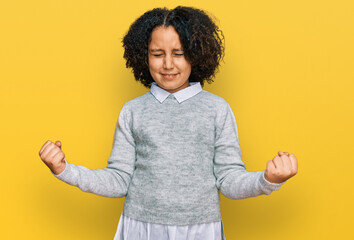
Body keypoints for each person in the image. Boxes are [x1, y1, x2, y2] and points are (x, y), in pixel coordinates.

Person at [39, 6, 298, 240]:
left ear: (196, 54)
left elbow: (229, 180)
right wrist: (64, 170)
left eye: (179, 53)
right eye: (157, 54)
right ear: (144, 55)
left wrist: (268, 179)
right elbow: (118, 180)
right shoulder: (133, 111)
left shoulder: (217, 109)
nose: (168, 64)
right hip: (140, 228)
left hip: (200, 229)